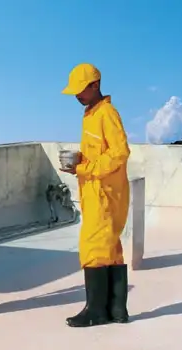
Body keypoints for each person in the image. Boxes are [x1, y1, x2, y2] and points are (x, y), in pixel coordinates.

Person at [59, 63, 131, 328]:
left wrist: (84, 168)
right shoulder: (91, 114)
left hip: (104, 193)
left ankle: (96, 311)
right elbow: (102, 152)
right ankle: (116, 310)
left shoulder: (106, 113)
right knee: (110, 249)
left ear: (96, 85)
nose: (78, 96)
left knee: (93, 249)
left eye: (81, 90)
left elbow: (119, 152)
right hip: (98, 191)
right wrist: (81, 160)